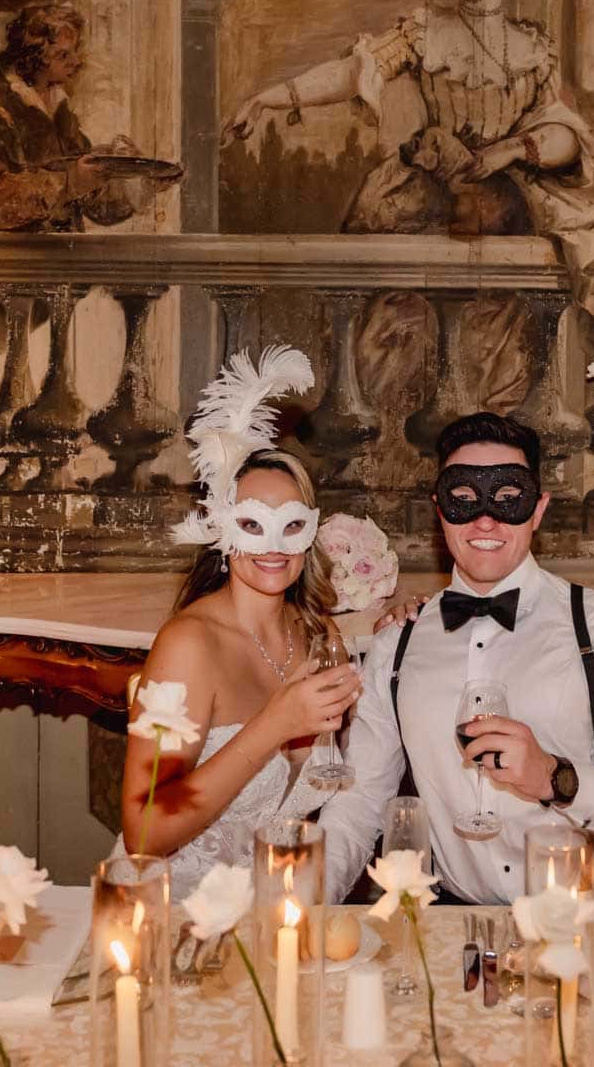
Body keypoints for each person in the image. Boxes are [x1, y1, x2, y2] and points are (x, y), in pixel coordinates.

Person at [320, 412, 594, 904]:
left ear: (538, 509)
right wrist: (308, 907)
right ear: (440, 510)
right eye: (463, 499)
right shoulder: (398, 644)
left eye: (508, 499)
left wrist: (555, 778)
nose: (485, 519)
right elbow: (359, 802)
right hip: (453, 926)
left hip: (584, 918)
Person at [222, 0, 594, 344]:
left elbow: (563, 132)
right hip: (425, 194)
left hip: (504, 205)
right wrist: (269, 98)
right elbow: (351, 72)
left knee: (498, 340)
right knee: (395, 335)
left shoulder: (533, 48)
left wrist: (514, 149)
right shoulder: (427, 30)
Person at [117, 350, 362, 898]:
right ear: (222, 531)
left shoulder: (320, 637)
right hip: (179, 912)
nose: (274, 545)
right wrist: (274, 725)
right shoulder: (188, 646)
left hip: (274, 909)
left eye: (291, 523)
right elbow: (144, 831)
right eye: (252, 523)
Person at [0, 1, 170, 232]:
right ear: (32, 58)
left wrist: (137, 182)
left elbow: (92, 204)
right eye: (63, 55)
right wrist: (69, 182)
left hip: (52, 265)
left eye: (74, 51)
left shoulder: (59, 108)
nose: (76, 62)